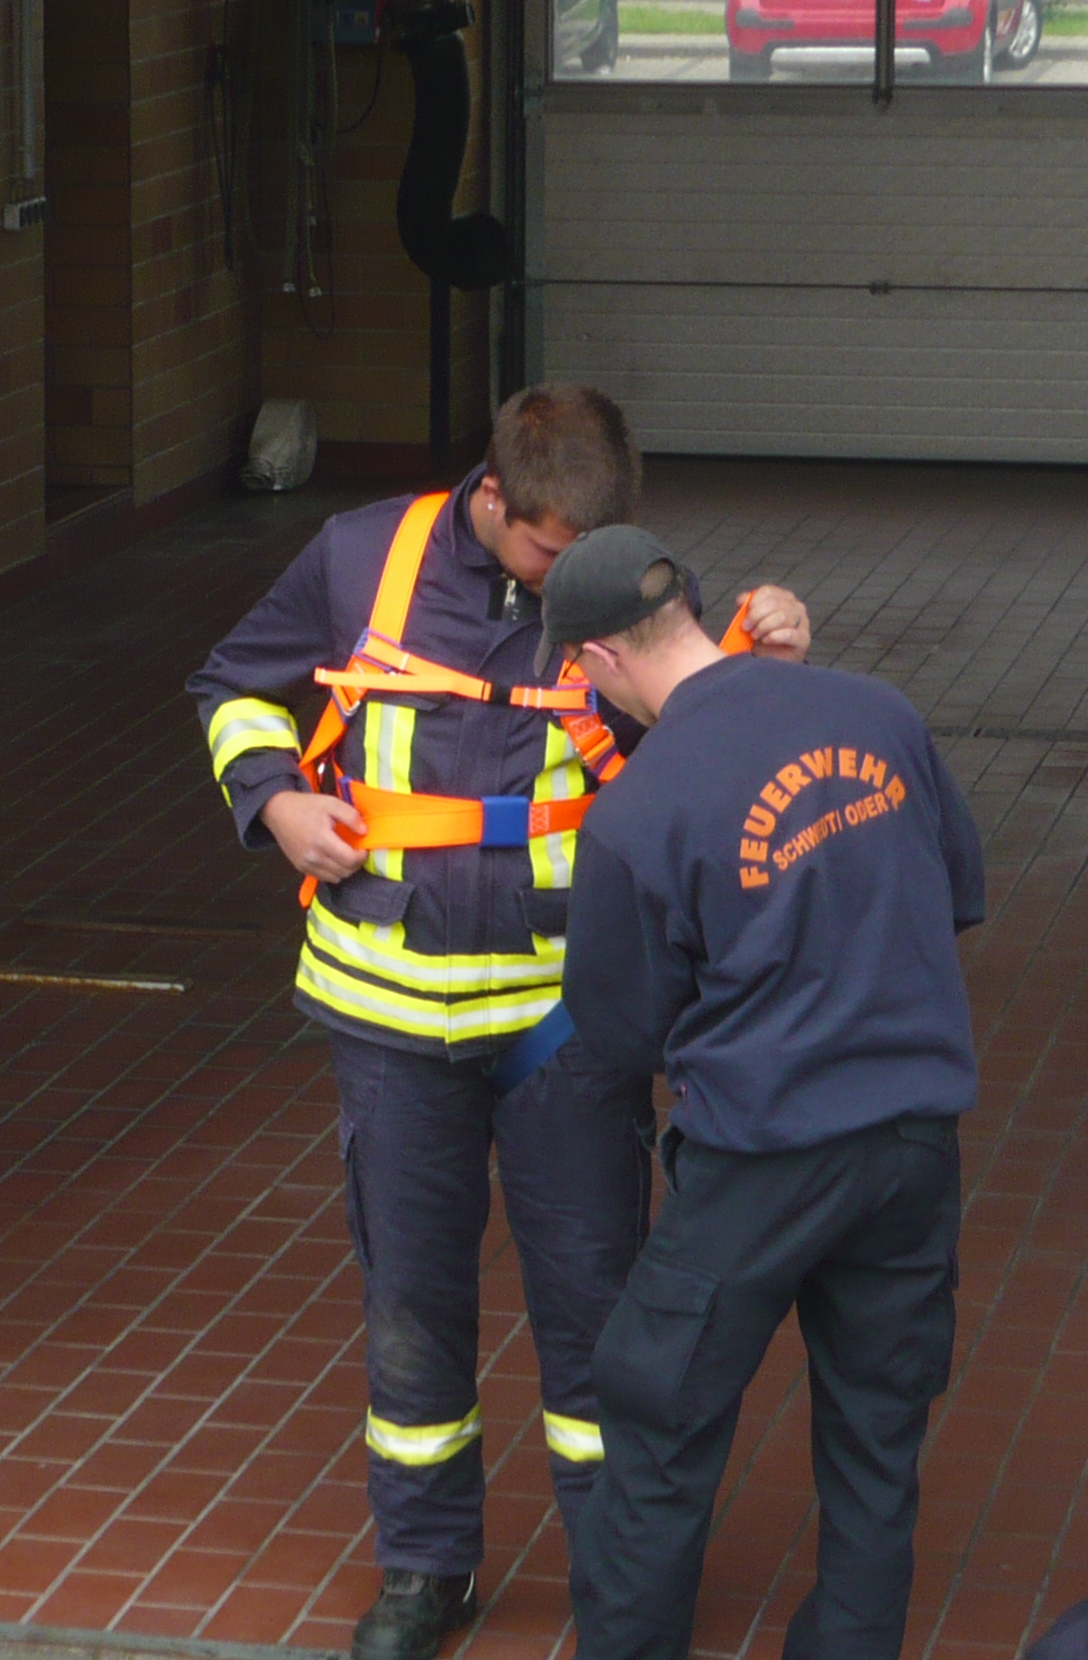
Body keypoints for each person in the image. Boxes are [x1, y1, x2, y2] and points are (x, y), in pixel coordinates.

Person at [186, 386, 811, 1660]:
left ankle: (617, 1577)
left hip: (565, 1024)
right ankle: (427, 1568)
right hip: (389, 1016)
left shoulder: (629, 581)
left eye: (594, 556)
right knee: (411, 1306)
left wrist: (770, 658)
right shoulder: (360, 557)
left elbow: (711, 741)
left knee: (598, 1311)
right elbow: (233, 684)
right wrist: (275, 802)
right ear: (491, 499)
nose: (573, 583)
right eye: (547, 552)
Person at [550, 527, 985, 1660]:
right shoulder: (879, 712)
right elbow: (956, 890)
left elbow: (623, 1029)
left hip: (757, 1159)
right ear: (692, 609)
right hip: (912, 1146)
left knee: (657, 1425)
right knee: (877, 1441)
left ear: (599, 659)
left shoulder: (638, 809)